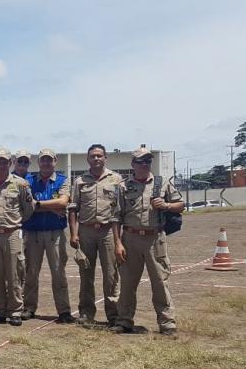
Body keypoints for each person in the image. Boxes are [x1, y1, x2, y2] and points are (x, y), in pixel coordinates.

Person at [111, 146, 184, 336]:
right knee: (127, 283)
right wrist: (118, 243)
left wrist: (167, 205)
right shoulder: (123, 187)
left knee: (160, 282)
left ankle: (167, 323)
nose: (144, 164)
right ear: (133, 164)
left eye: (148, 161)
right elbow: (116, 217)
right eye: (140, 161)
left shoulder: (162, 184)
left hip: (155, 239)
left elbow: (181, 205)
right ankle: (124, 320)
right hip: (130, 238)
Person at [68, 144, 123, 326]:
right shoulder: (80, 181)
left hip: (108, 231)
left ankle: (114, 315)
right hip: (86, 231)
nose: (96, 159)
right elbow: (73, 208)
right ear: (88, 159)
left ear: (105, 158)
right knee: (86, 274)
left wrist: (118, 239)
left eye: (100, 156)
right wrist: (74, 234)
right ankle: (86, 313)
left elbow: (121, 209)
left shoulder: (116, 179)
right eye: (93, 156)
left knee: (111, 275)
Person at [0, 148, 36, 326]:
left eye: (5, 162)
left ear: (10, 163)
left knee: (14, 273)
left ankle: (14, 310)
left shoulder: (20, 184)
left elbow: (28, 210)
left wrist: (16, 223)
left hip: (12, 233)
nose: (2, 165)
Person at [23, 149, 75, 323]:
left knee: (59, 273)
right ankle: (29, 307)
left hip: (55, 234)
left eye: (49, 160)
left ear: (55, 161)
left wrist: (37, 204)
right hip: (33, 233)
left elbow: (62, 202)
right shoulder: (28, 181)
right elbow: (25, 205)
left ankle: (64, 310)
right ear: (38, 162)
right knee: (31, 273)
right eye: (43, 160)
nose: (46, 163)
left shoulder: (62, 180)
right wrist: (52, 208)